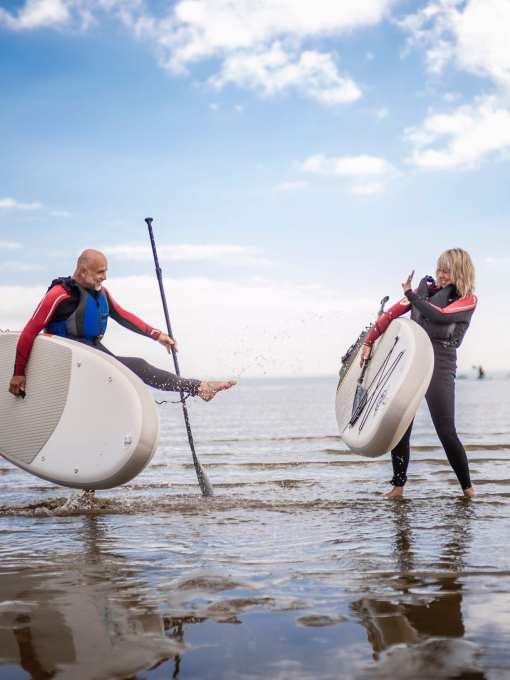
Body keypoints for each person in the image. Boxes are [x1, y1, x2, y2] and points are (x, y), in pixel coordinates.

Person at [9, 249, 236, 401]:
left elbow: (124, 316)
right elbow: (29, 332)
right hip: (68, 357)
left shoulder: (101, 293)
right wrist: (19, 374)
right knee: (136, 366)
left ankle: (198, 388)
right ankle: (200, 387)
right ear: (83, 272)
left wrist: (157, 335)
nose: (104, 277)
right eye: (100, 272)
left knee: (131, 373)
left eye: (106, 271)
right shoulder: (59, 294)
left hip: (93, 352)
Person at [360, 248, 477, 498]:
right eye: (440, 270)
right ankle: (398, 487)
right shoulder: (421, 294)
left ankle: (468, 490)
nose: (442, 275)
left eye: (447, 270)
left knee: (446, 431)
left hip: (441, 364)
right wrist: (368, 343)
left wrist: (411, 295)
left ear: (460, 271)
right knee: (401, 426)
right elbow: (390, 314)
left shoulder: (467, 299)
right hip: (411, 362)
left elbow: (441, 316)